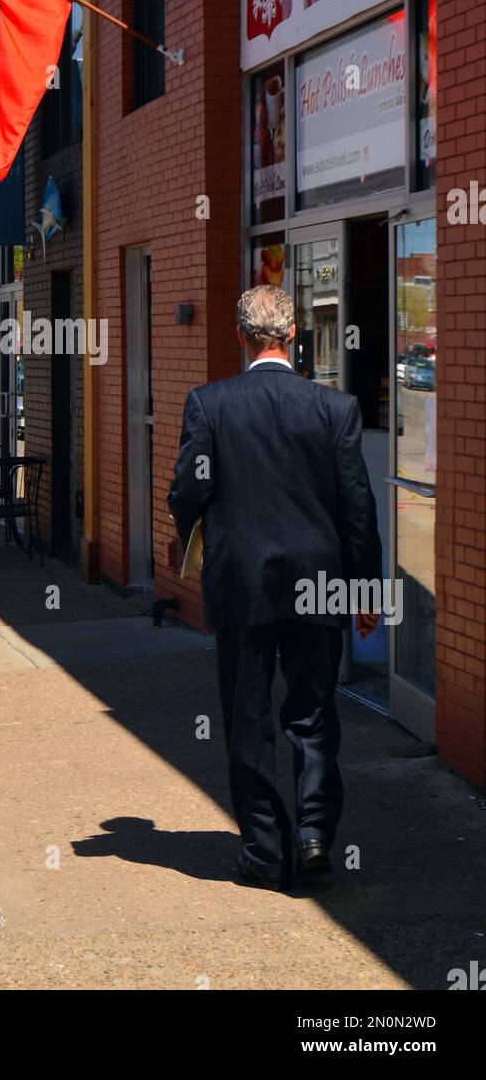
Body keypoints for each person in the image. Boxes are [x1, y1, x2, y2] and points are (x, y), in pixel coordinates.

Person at [167, 284, 382, 892]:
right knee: (313, 714)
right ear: (294, 336)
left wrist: (190, 539)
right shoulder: (334, 410)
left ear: (241, 338)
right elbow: (357, 508)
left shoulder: (210, 404)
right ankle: (314, 833)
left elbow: (188, 491)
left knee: (249, 716)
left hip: (242, 585)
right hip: (319, 585)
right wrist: (364, 592)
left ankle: (265, 850)